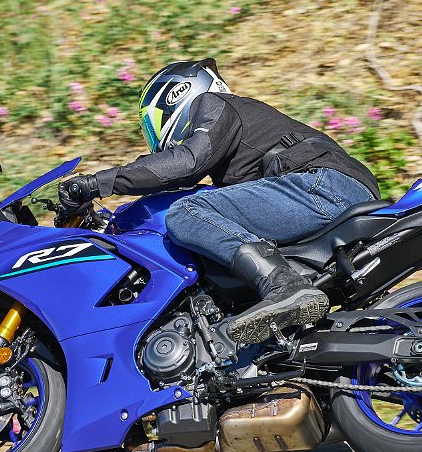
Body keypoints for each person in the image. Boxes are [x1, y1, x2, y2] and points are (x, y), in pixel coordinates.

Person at [58, 58, 379, 344]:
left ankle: (285, 286)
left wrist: (97, 183)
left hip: (324, 186)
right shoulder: (232, 158)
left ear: (176, 97)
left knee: (186, 212)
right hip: (329, 191)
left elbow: (186, 163)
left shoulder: (214, 104)